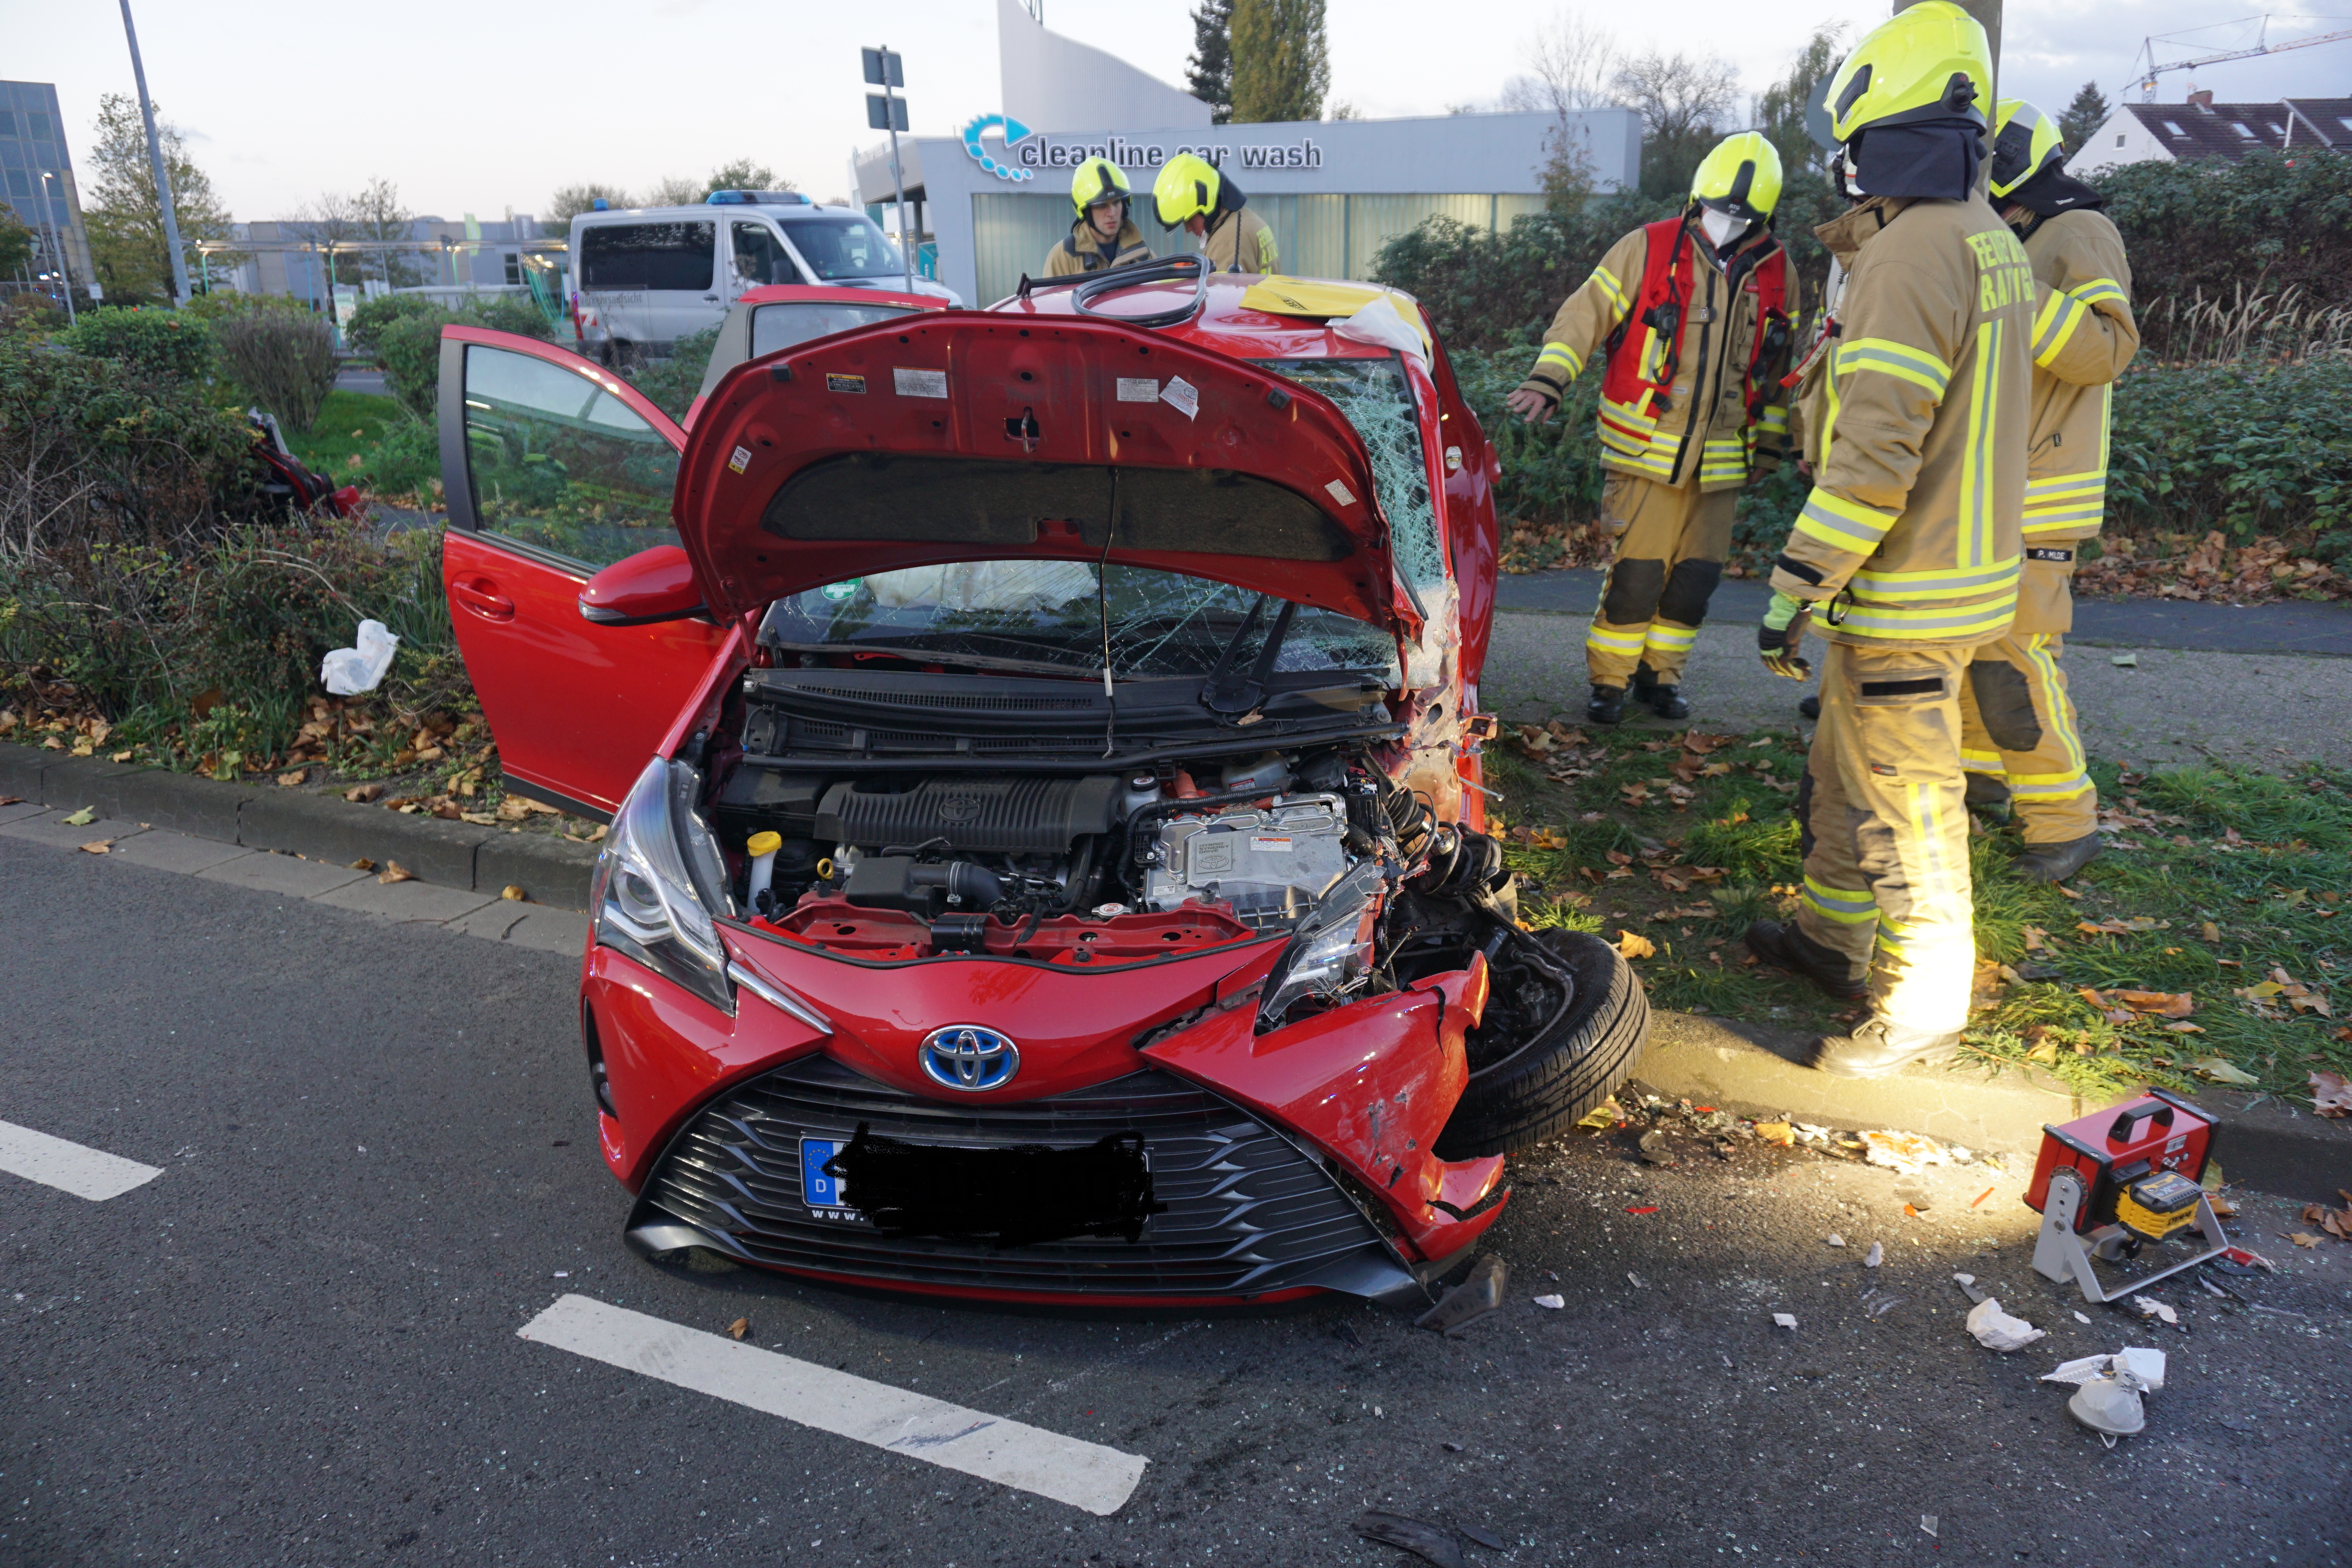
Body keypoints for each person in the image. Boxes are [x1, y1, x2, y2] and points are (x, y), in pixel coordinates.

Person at [1739, 0, 2033, 1078]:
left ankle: (1920, 1011)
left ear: (1888, 134)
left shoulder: (1910, 254)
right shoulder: (1986, 235)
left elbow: (1873, 459)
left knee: (1910, 806)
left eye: (1856, 144)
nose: (1850, 166)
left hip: (1906, 589)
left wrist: (1796, 585)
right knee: (1843, 771)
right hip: (1950, 574)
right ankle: (1829, 937)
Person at [1501, 131, 1800, 725]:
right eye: (1715, 211)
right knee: (1638, 576)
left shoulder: (1777, 272)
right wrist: (1548, 379)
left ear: (1764, 217)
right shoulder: (1648, 247)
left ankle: (1660, 678)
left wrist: (1771, 445)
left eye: (1739, 218)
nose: (1724, 224)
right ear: (1696, 200)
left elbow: (1777, 367)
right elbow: (1585, 315)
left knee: (1695, 581)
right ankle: (1609, 682)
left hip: (1721, 463)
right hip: (1645, 450)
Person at [1955, 98, 2139, 883]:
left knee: (2014, 660)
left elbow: (2106, 351)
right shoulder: (2016, 231)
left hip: (2039, 495)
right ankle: (1981, 779)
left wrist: (2013, 290)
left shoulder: (2078, 230)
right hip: (1995, 490)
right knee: (1979, 650)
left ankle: (2065, 824)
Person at [1151, 152, 1278, 275]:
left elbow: (1221, 290)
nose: (1188, 229)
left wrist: (1183, 281)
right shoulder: (1247, 220)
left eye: (1188, 219)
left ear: (1206, 203)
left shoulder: (1227, 242)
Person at [1044, 157, 1153, 278]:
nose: (1112, 213)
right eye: (1102, 206)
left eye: (1116, 202)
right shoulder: (1063, 257)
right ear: (1086, 211)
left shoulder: (1143, 255)